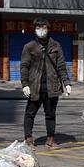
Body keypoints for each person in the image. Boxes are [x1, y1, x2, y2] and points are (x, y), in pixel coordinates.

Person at [20, 17, 72, 150]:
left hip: (52, 86)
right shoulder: (29, 46)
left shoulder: (56, 46)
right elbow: (24, 66)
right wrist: (25, 84)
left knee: (50, 114)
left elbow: (61, 65)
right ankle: (29, 139)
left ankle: (50, 140)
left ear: (48, 29)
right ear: (35, 29)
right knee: (30, 113)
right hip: (34, 87)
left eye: (44, 27)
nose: (41, 30)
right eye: (38, 27)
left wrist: (66, 83)